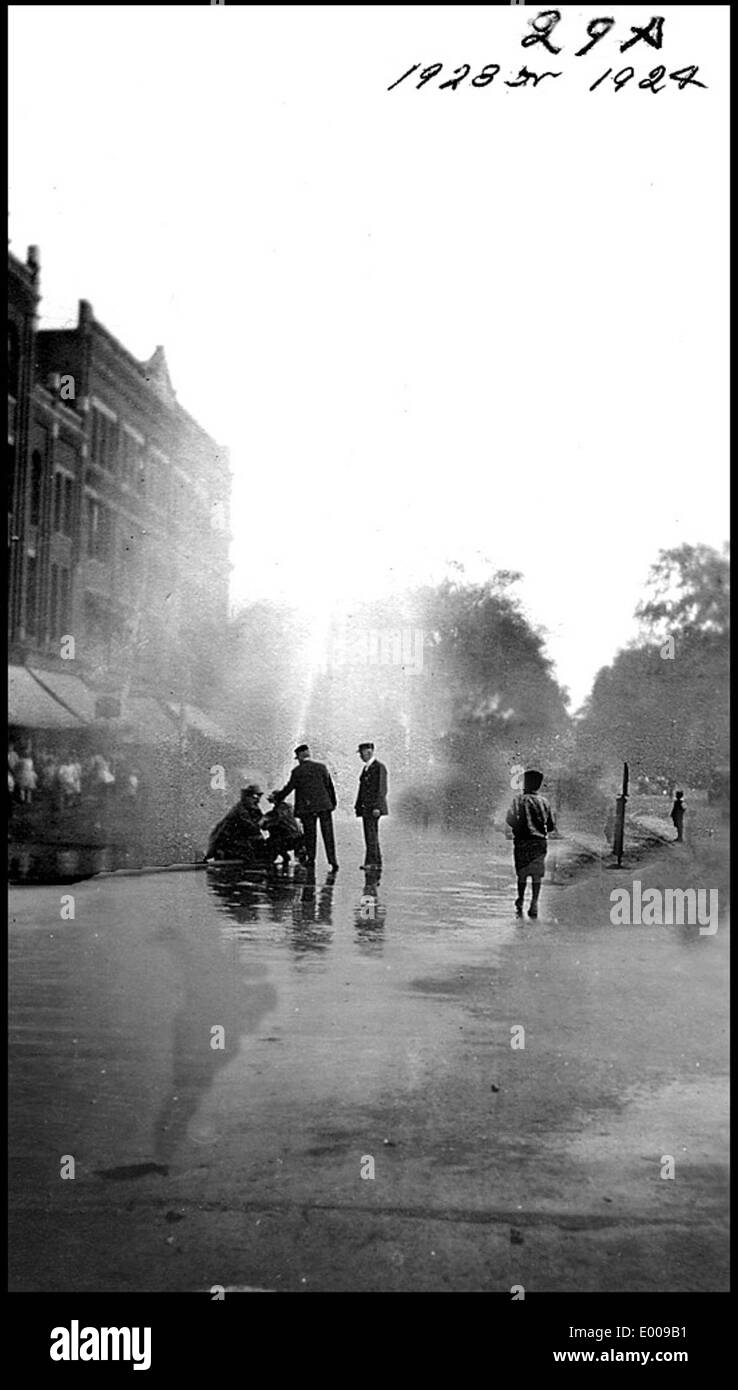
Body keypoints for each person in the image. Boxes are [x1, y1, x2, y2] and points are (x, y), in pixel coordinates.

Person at [270, 744, 338, 871]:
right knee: (328, 834)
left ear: (300, 757)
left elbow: (289, 788)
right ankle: (333, 861)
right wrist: (332, 804)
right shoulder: (322, 767)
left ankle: (311, 859)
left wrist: (277, 798)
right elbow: (330, 787)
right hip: (325, 806)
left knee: (310, 835)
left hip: (308, 809)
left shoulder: (297, 771)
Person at [505, 768, 556, 919]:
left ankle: (520, 899)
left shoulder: (518, 800)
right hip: (539, 842)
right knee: (537, 875)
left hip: (522, 841)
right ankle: (534, 903)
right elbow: (551, 825)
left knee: (522, 873)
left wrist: (519, 826)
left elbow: (510, 819)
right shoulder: (544, 802)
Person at [206, 785, 269, 862]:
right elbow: (251, 827)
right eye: (255, 796)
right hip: (227, 844)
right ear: (246, 797)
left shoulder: (252, 808)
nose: (258, 800)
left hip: (238, 842)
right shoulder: (240, 810)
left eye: (259, 796)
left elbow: (261, 822)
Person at [354, 741, 388, 869]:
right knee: (370, 834)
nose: (361, 756)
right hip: (367, 808)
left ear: (369, 752)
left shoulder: (379, 767)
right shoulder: (367, 767)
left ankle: (373, 862)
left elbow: (381, 789)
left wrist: (377, 807)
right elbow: (362, 789)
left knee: (371, 834)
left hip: (373, 808)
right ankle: (375, 862)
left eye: (362, 753)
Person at [261, 796, 308, 868]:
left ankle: (280, 858)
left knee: (271, 842)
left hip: (288, 839)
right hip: (299, 837)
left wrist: (263, 822)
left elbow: (264, 825)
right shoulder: (290, 808)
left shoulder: (276, 812)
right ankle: (299, 862)